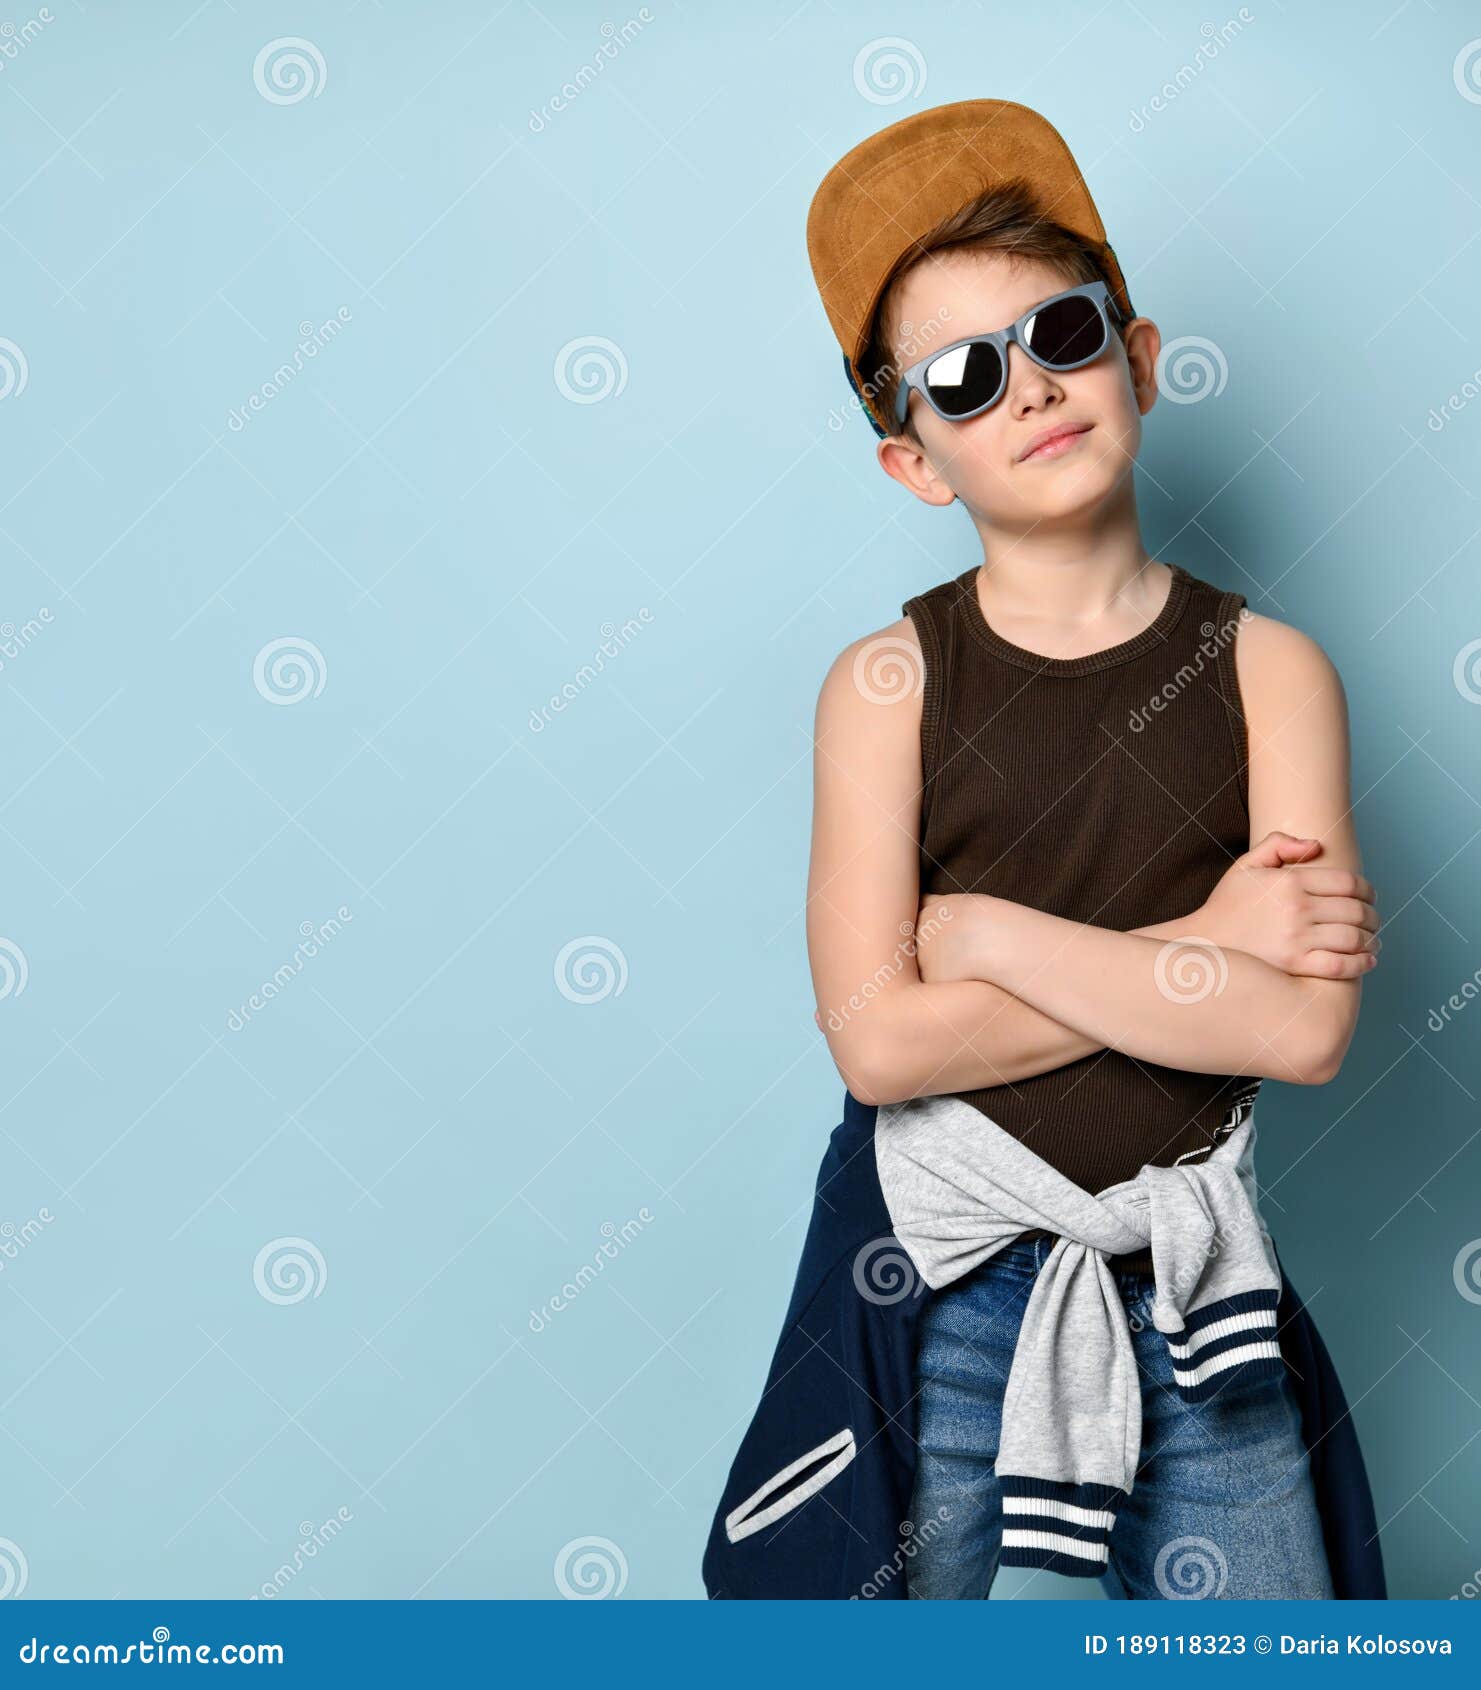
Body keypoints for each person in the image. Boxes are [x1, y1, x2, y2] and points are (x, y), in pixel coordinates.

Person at [801, 99, 1382, 1599]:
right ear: (915, 462)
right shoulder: (886, 689)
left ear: (1134, 357)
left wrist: (988, 937)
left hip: (1194, 1275)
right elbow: (877, 1048)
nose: (1028, 390)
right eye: (960, 377)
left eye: (1059, 334)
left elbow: (1303, 1025)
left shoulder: (1270, 671)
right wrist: (1206, 943)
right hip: (951, 1279)